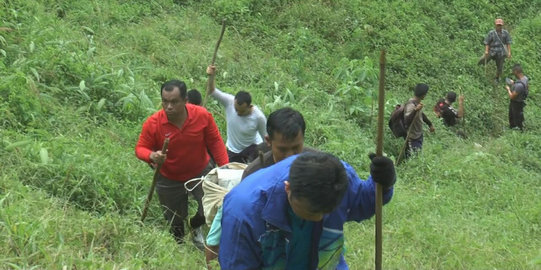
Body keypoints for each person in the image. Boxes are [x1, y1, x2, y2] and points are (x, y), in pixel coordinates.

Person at [218, 152, 396, 269]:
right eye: (311, 213)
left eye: (327, 212)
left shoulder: (336, 177)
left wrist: (383, 183)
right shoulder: (244, 212)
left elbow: (362, 202)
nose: (319, 219)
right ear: (288, 189)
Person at [204, 107, 316, 265]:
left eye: (296, 148)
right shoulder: (254, 173)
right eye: (283, 150)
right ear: (268, 141)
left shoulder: (316, 164)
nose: (290, 157)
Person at [135, 79, 229, 248]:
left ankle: (195, 226)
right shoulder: (154, 123)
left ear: (185, 100)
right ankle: (179, 246)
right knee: (175, 218)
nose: (169, 106)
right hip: (169, 178)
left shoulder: (202, 116)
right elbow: (140, 148)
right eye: (165, 101)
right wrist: (151, 155)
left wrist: (224, 168)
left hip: (201, 172)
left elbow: (215, 141)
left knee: (211, 208)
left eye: (174, 102)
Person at [206, 65, 267, 163]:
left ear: (250, 107)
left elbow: (265, 138)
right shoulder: (229, 102)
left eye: (242, 111)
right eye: (236, 110)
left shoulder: (259, 117)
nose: (238, 113)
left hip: (252, 148)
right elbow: (212, 91)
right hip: (233, 149)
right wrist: (211, 76)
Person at [404, 83, 435, 157]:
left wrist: (430, 124)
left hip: (418, 135)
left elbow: (421, 114)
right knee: (414, 157)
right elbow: (407, 120)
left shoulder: (417, 103)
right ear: (423, 95)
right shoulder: (411, 105)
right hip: (412, 137)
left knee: (417, 155)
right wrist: (415, 110)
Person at [478, 18, 512, 83]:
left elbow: (508, 43)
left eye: (500, 25)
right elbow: (487, 42)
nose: (499, 27)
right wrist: (486, 51)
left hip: (501, 52)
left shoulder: (505, 33)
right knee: (483, 59)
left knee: (500, 66)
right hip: (492, 50)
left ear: (502, 25)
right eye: (498, 25)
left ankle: (497, 78)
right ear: (495, 25)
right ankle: (478, 69)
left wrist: (509, 52)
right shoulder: (491, 33)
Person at [505, 63, 529, 130]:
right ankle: (518, 127)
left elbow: (512, 96)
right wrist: (513, 83)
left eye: (513, 72)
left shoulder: (519, 86)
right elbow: (527, 87)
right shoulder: (525, 79)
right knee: (519, 115)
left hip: (516, 102)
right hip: (521, 101)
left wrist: (508, 89)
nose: (513, 73)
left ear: (516, 72)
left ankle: (516, 129)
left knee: (514, 116)